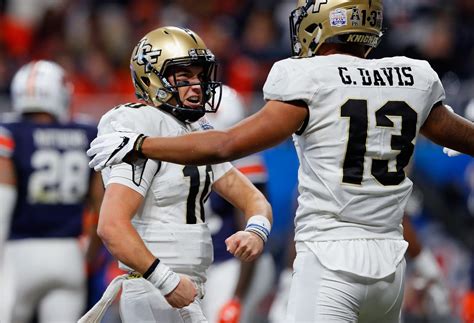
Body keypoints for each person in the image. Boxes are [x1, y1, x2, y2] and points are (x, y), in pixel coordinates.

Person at [87, 1, 474, 321]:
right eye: (182, 76)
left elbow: (223, 146)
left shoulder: (307, 77)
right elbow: (461, 134)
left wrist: (140, 144)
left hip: (330, 260)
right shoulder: (414, 77)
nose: (195, 85)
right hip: (390, 263)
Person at [80, 26, 272, 323]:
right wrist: (166, 281)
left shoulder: (195, 131)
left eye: (200, 76)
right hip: (155, 287)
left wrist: (256, 231)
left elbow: (254, 200)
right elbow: (111, 226)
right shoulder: (137, 124)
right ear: (151, 78)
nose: (197, 86)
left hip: (186, 284)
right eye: (184, 78)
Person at [0, 60, 104, 323]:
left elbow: (2, 206)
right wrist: (89, 253)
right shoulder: (86, 132)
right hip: (69, 254)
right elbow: (102, 207)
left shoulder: (10, 133)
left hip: (17, 254)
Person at [202, 85, 275, 323]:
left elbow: (249, 234)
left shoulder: (244, 161)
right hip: (209, 265)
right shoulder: (194, 158)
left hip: (235, 264)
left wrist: (237, 298)